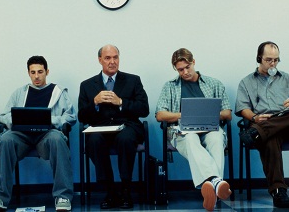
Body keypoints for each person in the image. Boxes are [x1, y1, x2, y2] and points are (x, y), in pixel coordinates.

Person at [0, 56, 76, 211]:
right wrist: (16, 120)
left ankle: (63, 196)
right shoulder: (19, 92)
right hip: (21, 135)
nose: (37, 76)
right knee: (5, 140)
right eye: (33, 72)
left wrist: (50, 120)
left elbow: (70, 117)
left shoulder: (59, 92)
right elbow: (4, 116)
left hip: (47, 134)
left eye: (40, 72)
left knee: (57, 139)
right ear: (28, 73)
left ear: (47, 72)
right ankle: (0, 196)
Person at [155, 48, 232, 211]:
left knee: (217, 138)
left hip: (210, 128)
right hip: (183, 132)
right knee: (190, 139)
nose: (184, 72)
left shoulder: (214, 83)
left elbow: (227, 113)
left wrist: (209, 114)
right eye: (180, 70)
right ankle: (216, 183)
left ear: (193, 62)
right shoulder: (170, 86)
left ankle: (211, 186)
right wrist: (183, 115)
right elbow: (160, 114)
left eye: (187, 67)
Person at [78, 44, 149, 209]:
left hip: (127, 126)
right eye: (108, 58)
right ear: (100, 60)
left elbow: (144, 109)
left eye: (115, 57)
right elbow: (82, 116)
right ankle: (109, 190)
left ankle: (125, 189)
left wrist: (121, 102)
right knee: (94, 140)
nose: (112, 62)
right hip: (100, 128)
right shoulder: (87, 85)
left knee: (125, 138)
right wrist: (94, 102)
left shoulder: (133, 80)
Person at [236, 41, 289, 208]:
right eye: (269, 60)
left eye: (276, 60)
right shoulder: (247, 82)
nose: (273, 64)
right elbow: (243, 108)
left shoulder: (287, 79)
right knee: (270, 138)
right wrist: (254, 119)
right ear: (259, 58)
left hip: (286, 122)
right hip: (262, 121)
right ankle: (278, 191)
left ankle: (256, 132)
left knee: (277, 124)